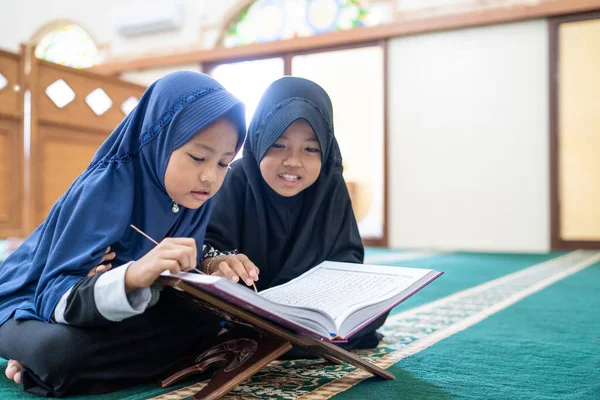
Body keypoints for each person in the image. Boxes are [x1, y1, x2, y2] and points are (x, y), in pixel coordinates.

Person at [0, 71, 248, 397]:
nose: (209, 177)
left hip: (105, 314)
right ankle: (42, 360)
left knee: (203, 323)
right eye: (198, 157)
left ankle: (54, 368)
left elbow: (169, 291)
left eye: (223, 163)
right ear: (160, 139)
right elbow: (50, 296)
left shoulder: (194, 198)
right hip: (28, 303)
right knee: (59, 353)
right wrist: (132, 275)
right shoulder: (106, 188)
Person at [202, 76, 385, 352]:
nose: (293, 161)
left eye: (311, 148)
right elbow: (205, 249)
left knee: (373, 308)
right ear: (260, 139)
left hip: (313, 312)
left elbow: (347, 259)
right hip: (244, 311)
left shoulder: (330, 187)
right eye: (279, 144)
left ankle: (290, 338)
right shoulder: (234, 180)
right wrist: (219, 263)